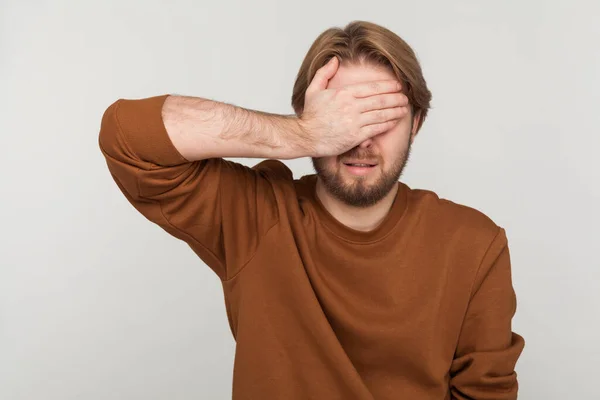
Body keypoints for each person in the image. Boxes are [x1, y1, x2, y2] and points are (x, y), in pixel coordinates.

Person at [99, 20, 524, 400]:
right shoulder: (256, 214)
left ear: (416, 123)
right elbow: (127, 138)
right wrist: (302, 134)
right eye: (343, 116)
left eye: (381, 115)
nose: (361, 139)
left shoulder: (473, 243)